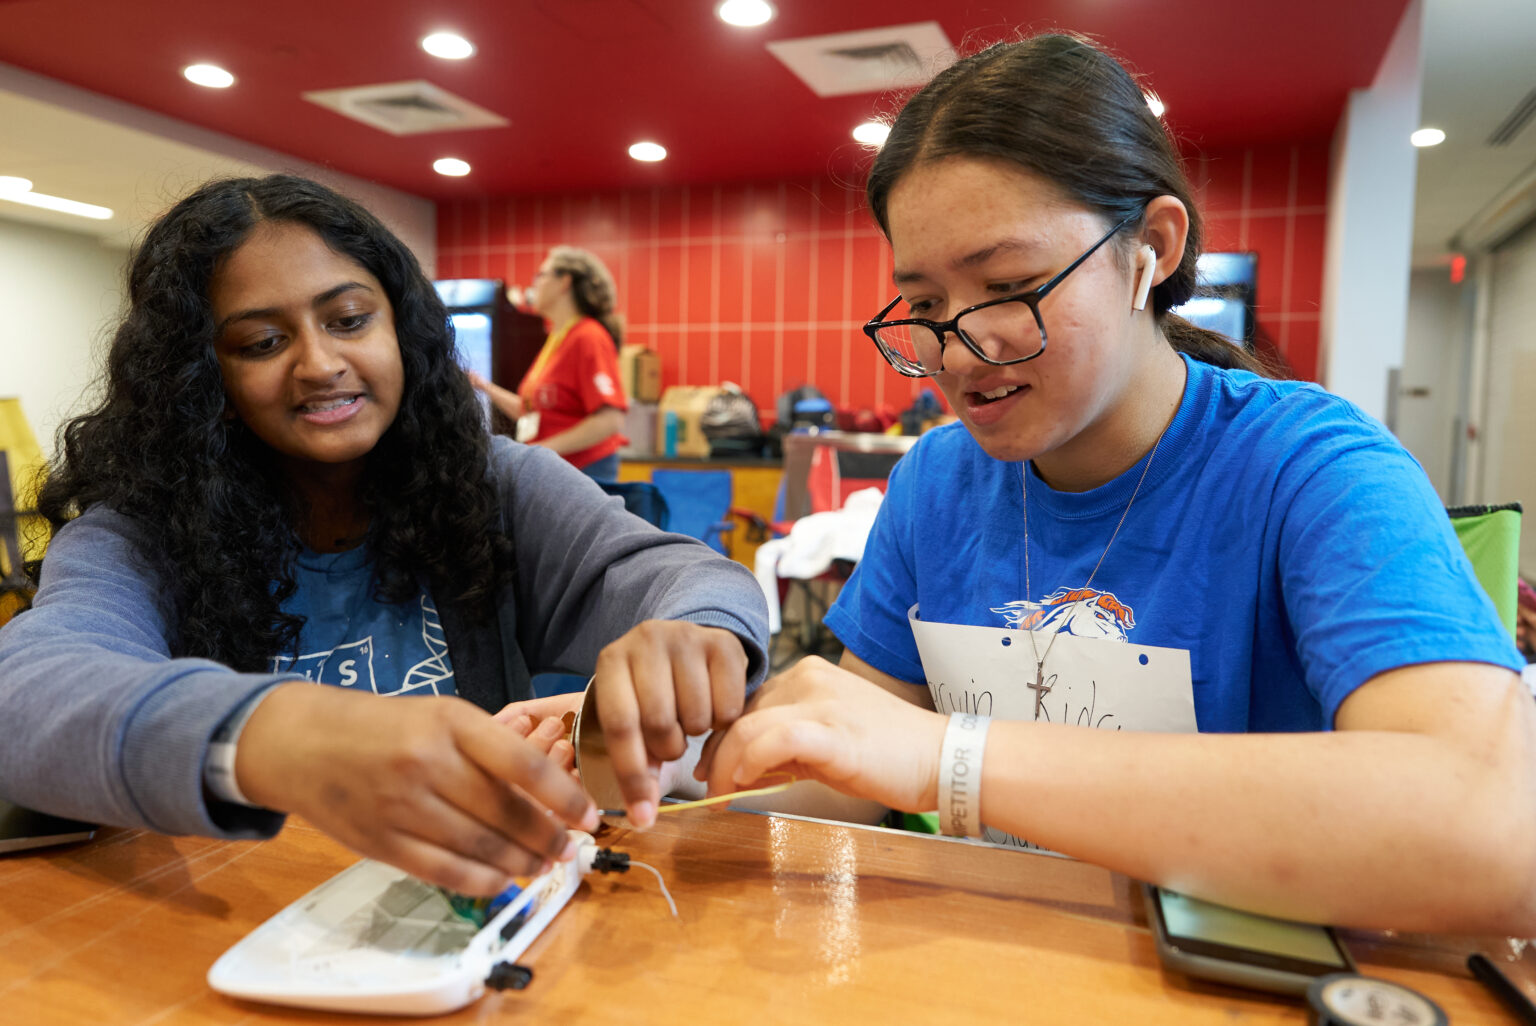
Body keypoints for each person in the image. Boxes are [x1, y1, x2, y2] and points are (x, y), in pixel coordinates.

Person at [698, 34, 1536, 934]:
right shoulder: (939, 480)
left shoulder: (1311, 468)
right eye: (928, 307)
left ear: (1153, 249)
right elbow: (848, 776)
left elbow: (1495, 829)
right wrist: (649, 766)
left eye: (1010, 285)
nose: (955, 353)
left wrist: (954, 760)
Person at [0, 174, 768, 898]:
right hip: (231, 940)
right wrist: (272, 736)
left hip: (468, 923)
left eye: (349, 320)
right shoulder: (140, 533)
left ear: (402, 328)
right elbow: (26, 694)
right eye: (262, 343)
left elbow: (689, 577)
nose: (322, 363)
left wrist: (696, 633)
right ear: (208, 384)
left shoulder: (498, 484)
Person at [468, 247, 628, 482]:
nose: (534, 284)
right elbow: (531, 410)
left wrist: (540, 451)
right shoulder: (558, 337)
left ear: (564, 282)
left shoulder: (588, 336)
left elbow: (609, 419)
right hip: (559, 470)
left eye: (540, 275)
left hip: (585, 475)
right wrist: (483, 386)